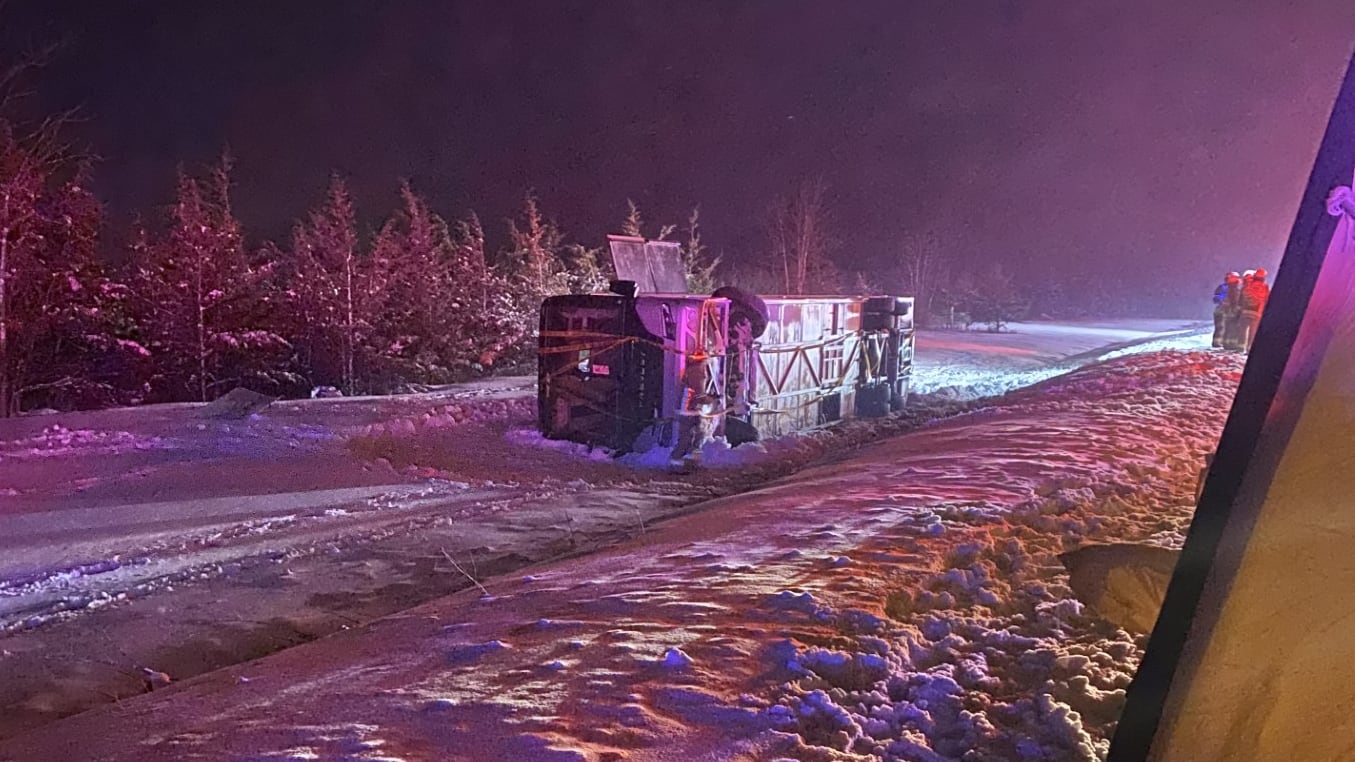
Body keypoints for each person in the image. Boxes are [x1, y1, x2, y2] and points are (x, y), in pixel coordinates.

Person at [1239, 267, 1270, 352]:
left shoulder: (1249, 285)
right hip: (1257, 312)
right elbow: (1267, 298)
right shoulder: (1265, 287)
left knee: (1243, 329)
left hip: (1245, 311)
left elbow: (1243, 296)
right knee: (1253, 331)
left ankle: (1240, 347)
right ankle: (1249, 348)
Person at [1212, 272, 1241, 348]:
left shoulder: (1223, 287)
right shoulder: (1225, 288)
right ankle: (1219, 343)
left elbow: (1215, 299)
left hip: (1224, 311)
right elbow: (1216, 298)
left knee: (1225, 327)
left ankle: (1221, 343)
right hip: (1224, 311)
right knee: (1222, 327)